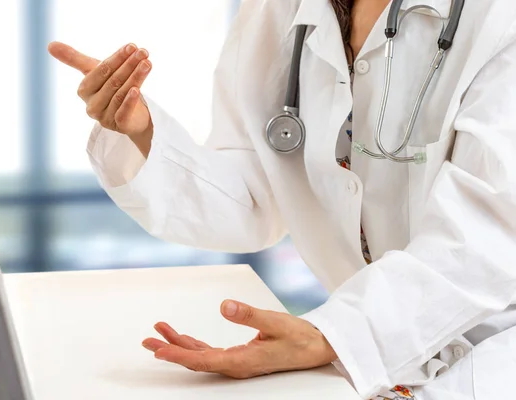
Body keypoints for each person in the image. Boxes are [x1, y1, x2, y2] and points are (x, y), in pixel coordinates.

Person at [48, 0, 516, 398]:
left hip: (495, 353)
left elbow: (485, 239)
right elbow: (254, 196)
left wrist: (332, 333)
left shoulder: (498, 17)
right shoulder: (280, 9)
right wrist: (143, 131)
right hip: (369, 361)